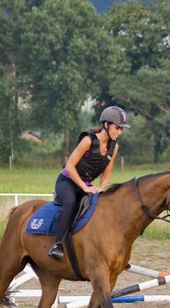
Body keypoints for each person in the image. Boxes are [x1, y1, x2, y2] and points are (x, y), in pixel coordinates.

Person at [48, 106, 129, 261]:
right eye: (117, 128)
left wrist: (101, 189)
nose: (119, 132)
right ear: (106, 124)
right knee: (71, 202)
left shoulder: (114, 147)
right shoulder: (88, 140)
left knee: (104, 205)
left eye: (121, 130)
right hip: (68, 181)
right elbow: (70, 166)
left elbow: (107, 174)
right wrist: (85, 187)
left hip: (86, 186)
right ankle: (57, 244)